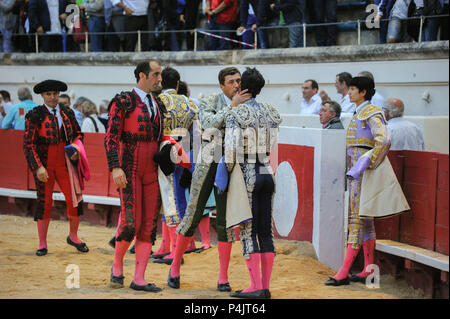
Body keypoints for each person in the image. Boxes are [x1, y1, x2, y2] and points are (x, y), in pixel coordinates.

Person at [167, 67, 252, 291]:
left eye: (238, 81)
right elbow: (208, 123)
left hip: (232, 165)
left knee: (225, 223)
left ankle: (223, 277)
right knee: (193, 214)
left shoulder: (247, 104)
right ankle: (175, 266)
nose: (236, 85)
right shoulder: (209, 101)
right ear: (222, 86)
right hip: (209, 162)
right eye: (231, 82)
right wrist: (233, 107)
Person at [105, 59, 165, 292]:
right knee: (131, 223)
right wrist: (115, 166)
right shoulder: (123, 101)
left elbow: (162, 136)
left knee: (148, 225)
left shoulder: (158, 103)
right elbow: (110, 138)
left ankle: (139, 278)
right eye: (156, 75)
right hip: (129, 168)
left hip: (152, 169)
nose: (160, 79)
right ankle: (117, 263)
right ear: (142, 75)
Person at [325, 76, 391, 286]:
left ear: (363, 92)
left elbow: (385, 139)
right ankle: (368, 270)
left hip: (361, 174)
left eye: (352, 89)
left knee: (356, 219)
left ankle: (343, 272)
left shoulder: (370, 112)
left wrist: (367, 163)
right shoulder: (359, 112)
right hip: (359, 173)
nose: (349, 92)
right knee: (366, 221)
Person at [223, 67, 282, 299]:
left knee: (249, 231)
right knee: (265, 231)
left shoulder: (236, 113)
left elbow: (230, 152)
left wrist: (227, 175)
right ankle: (265, 287)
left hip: (247, 173)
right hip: (267, 170)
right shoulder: (271, 112)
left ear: (241, 87)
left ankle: (255, 286)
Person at [23, 79, 90, 256]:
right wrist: (38, 167)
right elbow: (28, 145)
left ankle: (73, 236)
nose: (52, 97)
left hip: (65, 164)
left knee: (74, 199)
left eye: (55, 94)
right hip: (45, 164)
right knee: (44, 202)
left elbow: (78, 135)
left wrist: (76, 148)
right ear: (42, 96)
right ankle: (42, 243)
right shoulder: (35, 115)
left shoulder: (68, 113)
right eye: (48, 94)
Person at [151, 66, 200, 265]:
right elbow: (197, 137)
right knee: (175, 200)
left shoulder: (157, 102)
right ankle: (169, 245)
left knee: (169, 201)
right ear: (178, 83)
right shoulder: (190, 104)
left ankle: (174, 249)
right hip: (182, 155)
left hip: (161, 154)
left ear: (162, 82)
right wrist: (191, 164)